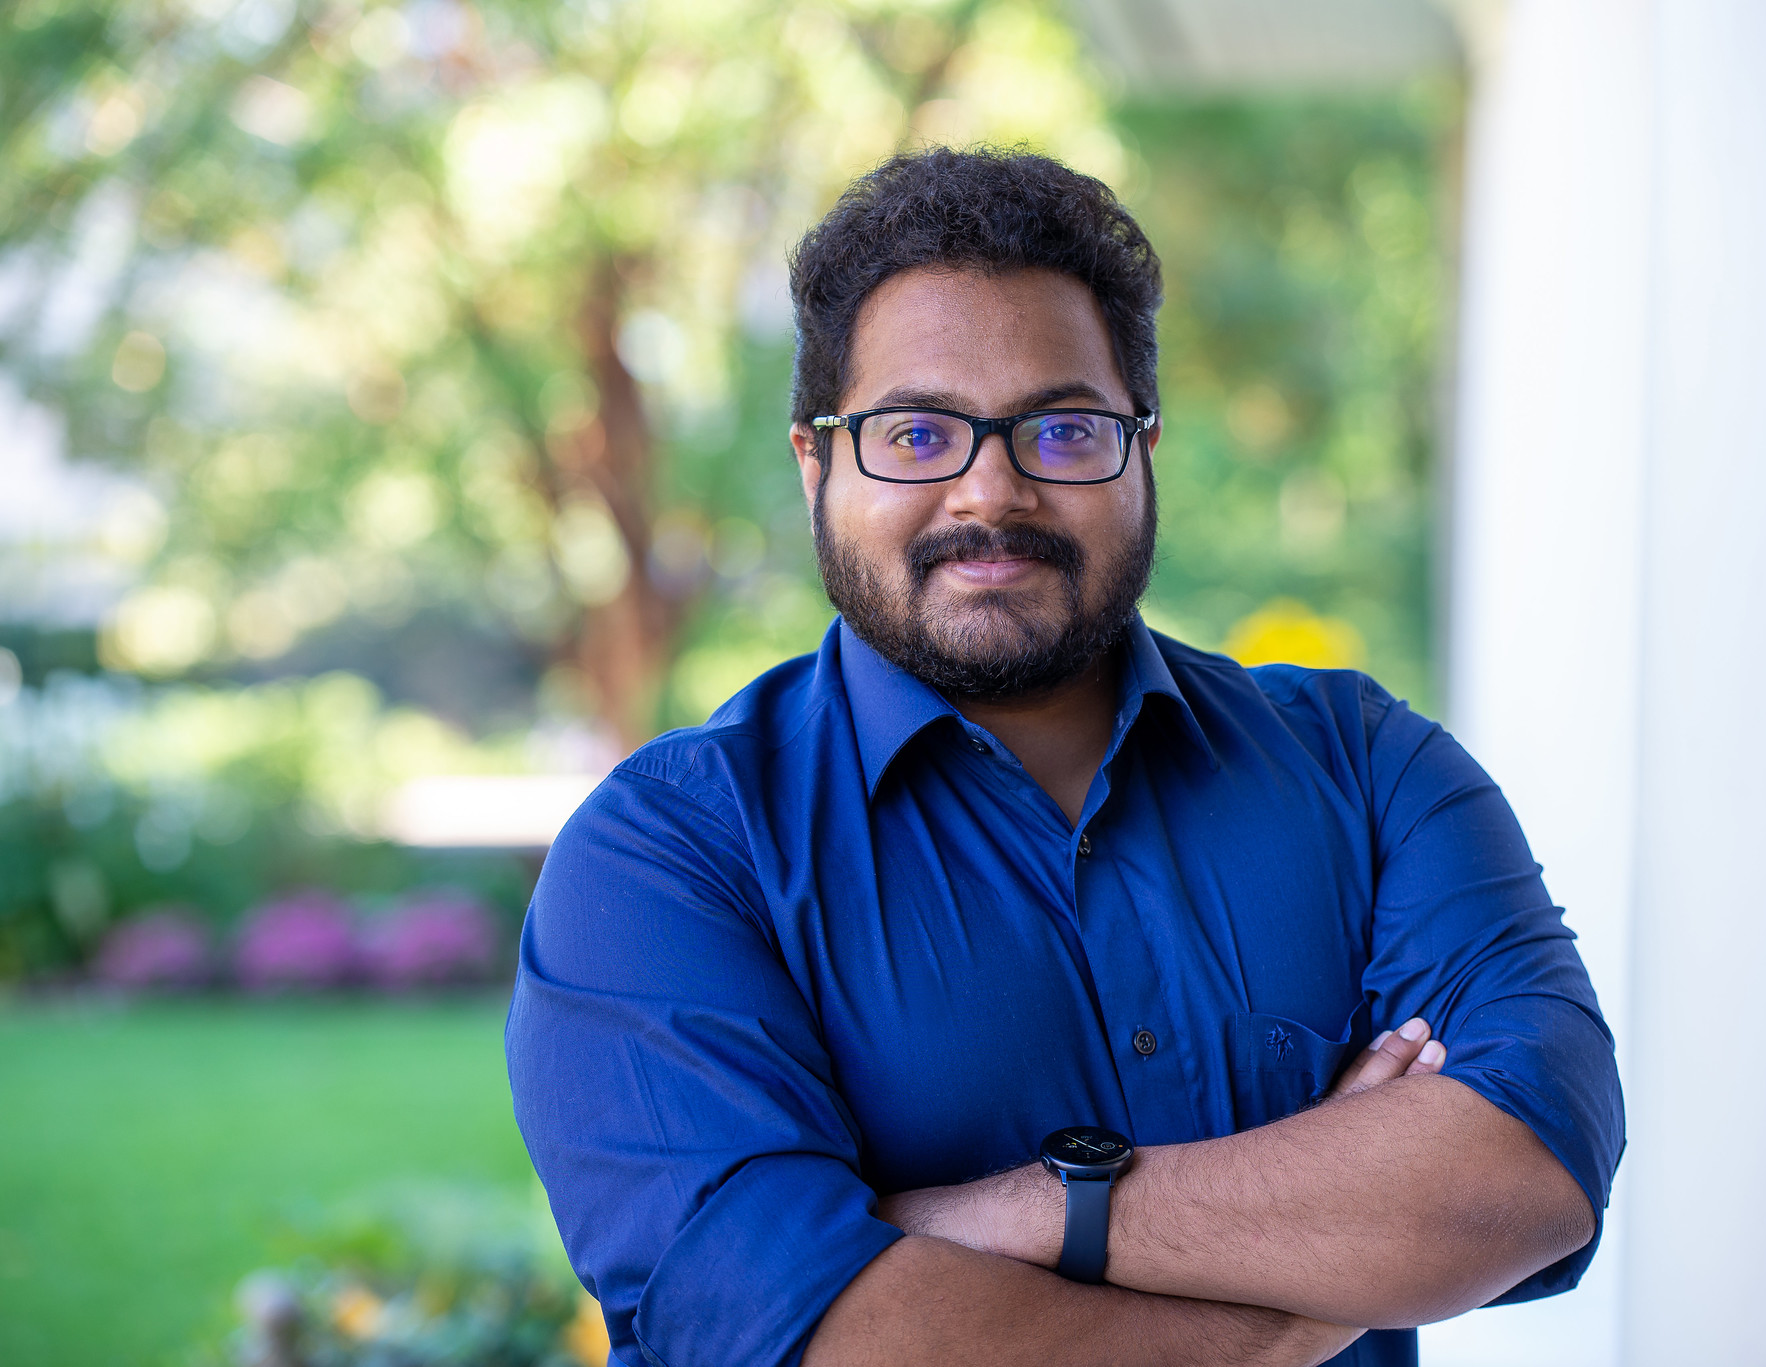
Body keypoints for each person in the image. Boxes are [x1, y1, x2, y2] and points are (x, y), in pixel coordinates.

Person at [506, 147, 1624, 1367]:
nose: (992, 490)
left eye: (1062, 426)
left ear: (1142, 450)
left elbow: (1525, 1173)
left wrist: (1018, 1212)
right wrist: (1303, 1300)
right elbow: (819, 1338)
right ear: (815, 463)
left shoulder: (1366, 769)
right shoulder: (667, 852)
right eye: (916, 430)